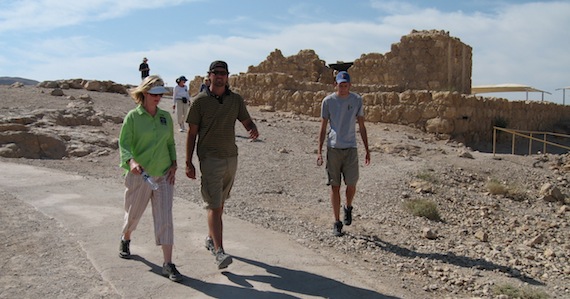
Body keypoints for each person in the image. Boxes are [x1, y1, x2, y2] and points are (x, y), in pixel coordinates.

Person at [185, 60, 259, 269]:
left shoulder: (235, 100)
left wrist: (252, 128)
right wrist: (188, 162)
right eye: (216, 73)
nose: (219, 76)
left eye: (223, 73)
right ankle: (219, 252)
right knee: (214, 206)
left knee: (220, 203)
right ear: (209, 75)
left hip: (230, 159)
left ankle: (211, 239)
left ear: (227, 76)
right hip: (210, 159)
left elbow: (246, 121)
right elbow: (191, 133)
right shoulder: (199, 102)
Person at [118, 75, 182, 282]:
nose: (158, 97)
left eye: (161, 93)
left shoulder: (165, 117)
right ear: (144, 94)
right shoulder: (133, 117)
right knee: (133, 215)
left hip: (163, 175)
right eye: (154, 94)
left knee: (165, 217)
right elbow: (124, 145)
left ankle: (168, 263)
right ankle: (126, 237)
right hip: (140, 175)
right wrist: (131, 162)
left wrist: (174, 164)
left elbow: (170, 143)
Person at [317, 71, 370, 237]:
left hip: (351, 148)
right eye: (340, 85)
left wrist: (367, 149)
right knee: (335, 186)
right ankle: (337, 221)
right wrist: (319, 150)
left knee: (352, 184)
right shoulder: (328, 101)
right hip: (333, 148)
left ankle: (348, 206)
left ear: (350, 85)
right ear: (335, 85)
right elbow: (323, 126)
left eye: (346, 85)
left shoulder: (356, 100)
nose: (343, 88)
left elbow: (361, 125)